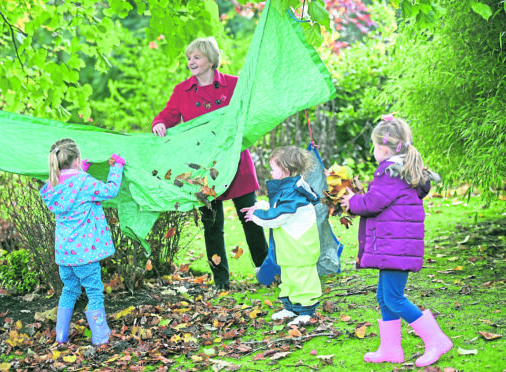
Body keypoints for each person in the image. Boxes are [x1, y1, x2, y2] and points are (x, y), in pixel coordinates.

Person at [152, 37, 268, 290]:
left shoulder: (235, 85)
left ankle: (266, 271)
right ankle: (222, 281)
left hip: (237, 163)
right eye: (189, 58)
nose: (191, 62)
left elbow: (255, 109)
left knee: (251, 219)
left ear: (211, 60)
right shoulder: (182, 91)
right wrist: (159, 123)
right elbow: (168, 115)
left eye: (197, 57)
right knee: (212, 227)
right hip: (203, 170)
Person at [341, 116, 452, 367]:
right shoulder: (402, 170)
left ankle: (437, 340)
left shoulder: (390, 172)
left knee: (393, 297)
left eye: (373, 146)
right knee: (385, 296)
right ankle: (390, 349)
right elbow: (381, 200)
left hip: (395, 246)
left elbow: (373, 203)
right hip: (395, 245)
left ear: (382, 148)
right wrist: (358, 198)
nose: (373, 151)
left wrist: (352, 203)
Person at [39, 138, 125, 345]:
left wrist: (81, 171)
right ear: (77, 160)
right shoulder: (84, 183)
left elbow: (72, 187)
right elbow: (109, 191)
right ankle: (101, 338)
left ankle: (60, 337)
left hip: (64, 255)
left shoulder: (53, 186)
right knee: (94, 292)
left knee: (69, 290)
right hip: (85, 254)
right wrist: (117, 168)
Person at [242, 146, 322, 326]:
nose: (270, 171)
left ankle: (307, 311)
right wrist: (261, 206)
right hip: (289, 247)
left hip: (300, 245)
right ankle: (291, 307)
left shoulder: (294, 193)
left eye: (273, 168)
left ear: (285, 170)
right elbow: (276, 206)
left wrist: (256, 216)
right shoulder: (288, 189)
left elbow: (278, 216)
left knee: (303, 278)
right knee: (289, 277)